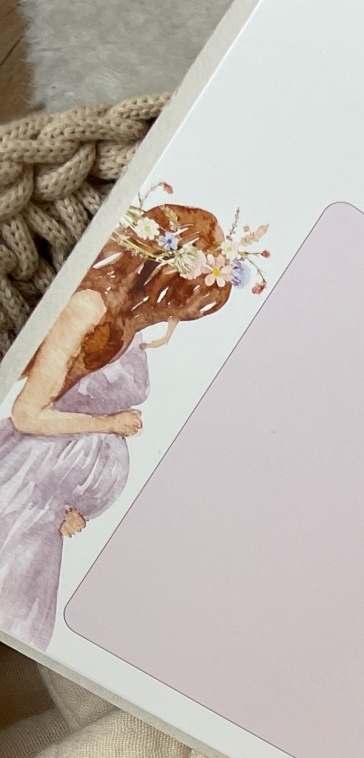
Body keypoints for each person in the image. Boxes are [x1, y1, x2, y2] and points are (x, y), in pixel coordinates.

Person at [0, 190, 267, 648]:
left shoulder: (131, 324)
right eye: (179, 297)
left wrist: (75, 502)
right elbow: (27, 415)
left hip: (49, 504)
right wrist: (109, 424)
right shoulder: (86, 308)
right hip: (22, 486)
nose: (173, 312)